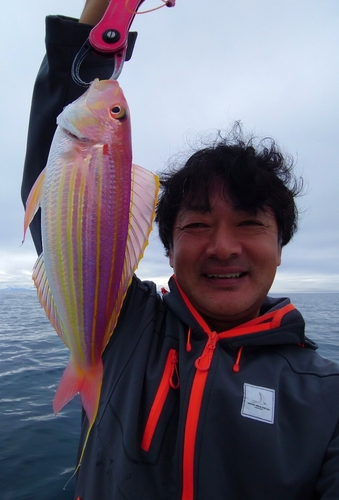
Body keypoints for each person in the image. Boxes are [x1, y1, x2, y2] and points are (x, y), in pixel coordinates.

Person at [21, 2, 339, 499]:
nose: (222, 247)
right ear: (168, 248)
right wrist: (91, 38)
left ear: (281, 246)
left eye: (250, 224)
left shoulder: (326, 394)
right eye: (197, 224)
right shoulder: (122, 324)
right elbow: (64, 216)